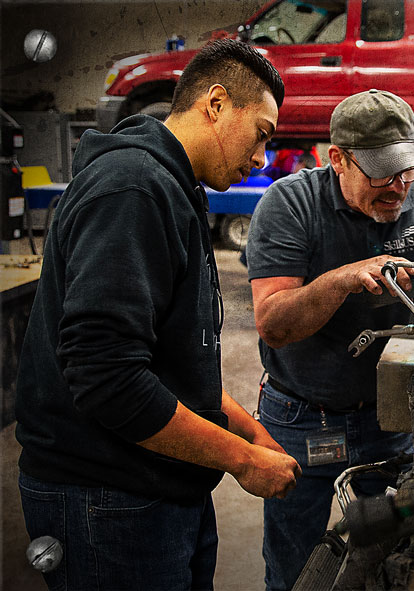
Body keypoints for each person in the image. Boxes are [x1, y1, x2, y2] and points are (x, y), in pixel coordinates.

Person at [15, 38, 301, 591]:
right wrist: (240, 461)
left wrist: (251, 435)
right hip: (106, 501)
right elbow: (109, 378)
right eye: (261, 134)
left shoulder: (173, 186)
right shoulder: (133, 189)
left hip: (159, 488)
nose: (263, 158)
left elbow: (174, 361)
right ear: (215, 104)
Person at [246, 88, 414, 589]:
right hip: (303, 416)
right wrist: (345, 278)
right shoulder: (289, 204)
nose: (398, 188)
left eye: (407, 169)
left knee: (393, 561)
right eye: (381, 173)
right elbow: (274, 325)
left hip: (391, 415)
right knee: (296, 569)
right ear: (337, 159)